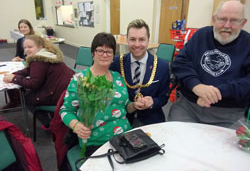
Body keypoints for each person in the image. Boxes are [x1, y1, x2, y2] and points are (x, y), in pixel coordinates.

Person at [168, 0, 250, 128]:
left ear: (243, 23)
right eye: (222, 19)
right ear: (214, 19)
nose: (227, 25)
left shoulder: (248, 43)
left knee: (226, 147)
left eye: (234, 20)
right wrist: (196, 85)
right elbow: (180, 62)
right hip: (189, 107)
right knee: (176, 138)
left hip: (229, 114)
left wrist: (216, 92)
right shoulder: (201, 35)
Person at [60, 32, 132, 160]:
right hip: (97, 141)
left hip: (124, 137)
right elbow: (65, 111)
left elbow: (125, 106)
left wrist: (136, 105)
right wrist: (76, 126)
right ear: (93, 53)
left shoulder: (118, 77)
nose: (104, 55)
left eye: (109, 52)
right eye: (100, 50)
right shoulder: (80, 79)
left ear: (113, 55)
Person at [3, 35, 74, 128]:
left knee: (27, 98)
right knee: (30, 92)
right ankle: (53, 117)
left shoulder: (38, 60)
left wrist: (14, 78)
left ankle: (49, 124)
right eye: (25, 47)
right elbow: (29, 70)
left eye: (30, 47)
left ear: (40, 47)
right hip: (65, 89)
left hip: (59, 94)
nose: (26, 50)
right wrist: (15, 74)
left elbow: (33, 84)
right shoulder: (46, 54)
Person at [110, 19, 170, 126]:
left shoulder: (162, 66)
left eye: (142, 39)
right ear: (127, 40)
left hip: (151, 119)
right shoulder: (116, 63)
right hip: (123, 119)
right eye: (132, 39)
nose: (137, 45)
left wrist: (153, 102)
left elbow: (164, 97)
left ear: (148, 40)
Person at [1, 19, 35, 110]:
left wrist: (22, 59)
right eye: (21, 27)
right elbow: (18, 54)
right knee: (9, 73)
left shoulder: (35, 39)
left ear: (30, 27)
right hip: (22, 63)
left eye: (25, 27)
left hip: (33, 63)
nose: (23, 29)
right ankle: (15, 98)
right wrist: (16, 58)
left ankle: (19, 97)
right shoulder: (20, 40)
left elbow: (36, 55)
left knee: (15, 76)